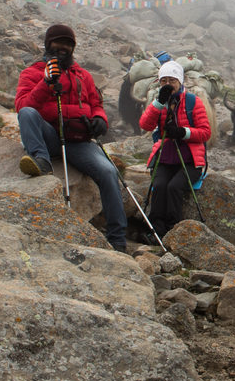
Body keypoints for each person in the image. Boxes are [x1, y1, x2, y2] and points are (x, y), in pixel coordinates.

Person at [14, 23, 129, 252]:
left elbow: (96, 104)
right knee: (27, 114)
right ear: (48, 44)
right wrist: (45, 84)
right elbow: (22, 106)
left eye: (68, 44)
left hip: (78, 139)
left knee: (107, 172)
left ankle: (117, 239)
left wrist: (99, 119)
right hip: (50, 136)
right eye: (58, 43)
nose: (63, 48)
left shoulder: (83, 76)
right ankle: (41, 160)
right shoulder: (33, 73)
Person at [138, 61, 211, 240]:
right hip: (166, 157)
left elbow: (205, 132)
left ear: (180, 81)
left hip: (190, 159)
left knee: (174, 187)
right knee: (160, 185)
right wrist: (158, 103)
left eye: (172, 80)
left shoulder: (193, 102)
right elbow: (145, 125)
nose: (168, 84)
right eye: (164, 81)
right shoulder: (159, 102)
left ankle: (172, 229)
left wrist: (183, 132)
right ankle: (156, 229)